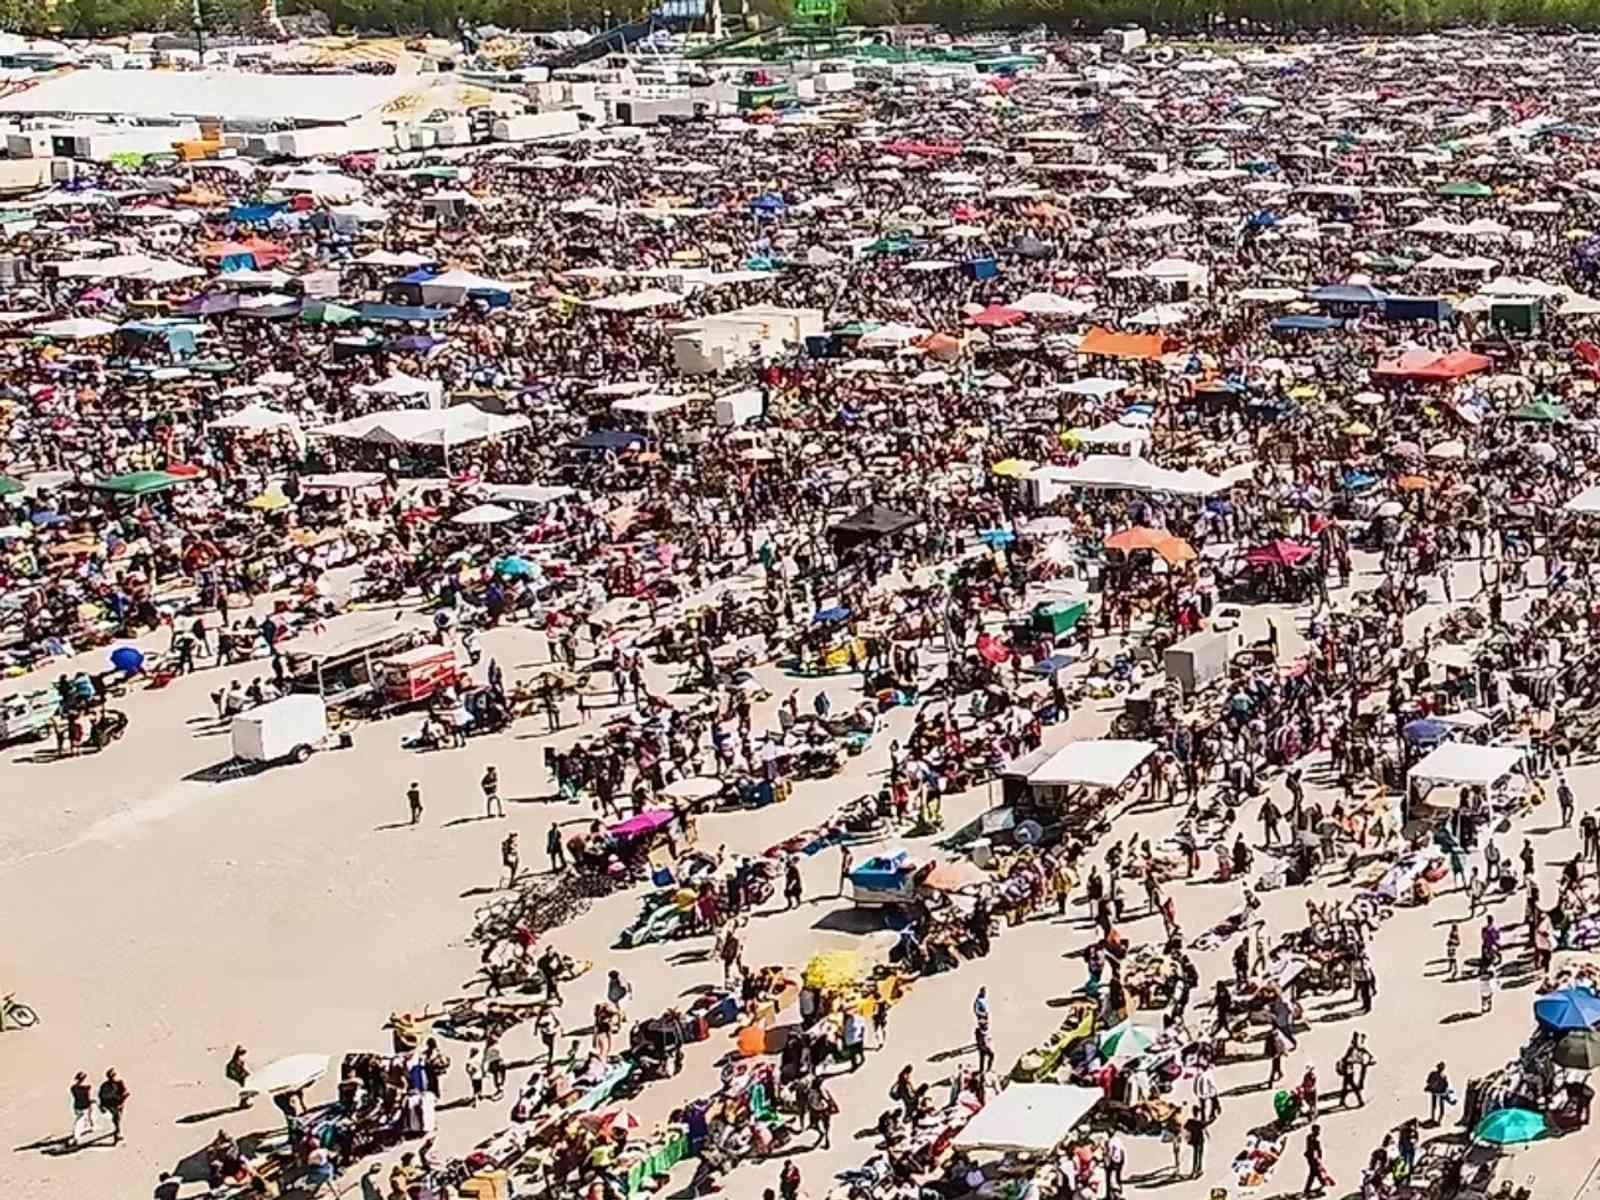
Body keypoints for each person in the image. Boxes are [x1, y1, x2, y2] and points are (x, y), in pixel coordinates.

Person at [1336, 1032, 1373, 1108]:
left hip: (1348, 1070)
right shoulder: (1353, 1049)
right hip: (1349, 1070)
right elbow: (1350, 1059)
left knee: (1348, 1087)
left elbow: (1348, 1058)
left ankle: (1344, 1101)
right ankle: (1353, 1101)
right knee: (1349, 1087)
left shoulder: (1352, 1049)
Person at [98, 1068, 129, 1145]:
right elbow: (101, 1096)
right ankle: (117, 1134)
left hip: (117, 1104)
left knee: (117, 1118)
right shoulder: (115, 1084)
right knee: (117, 1118)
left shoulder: (114, 1084)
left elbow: (101, 1096)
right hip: (113, 1105)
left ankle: (117, 1132)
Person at [1303, 1123, 1329, 1197]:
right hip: (1312, 1158)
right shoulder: (1311, 1138)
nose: (1318, 1132)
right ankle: (1309, 1188)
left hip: (1314, 1158)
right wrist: (1316, 1157)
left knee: (1314, 1172)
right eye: (1317, 1130)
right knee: (1314, 1172)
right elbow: (1312, 1149)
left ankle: (1321, 1183)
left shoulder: (1314, 1139)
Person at [70, 1071, 95, 1145]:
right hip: (84, 1107)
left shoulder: (73, 1088)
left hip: (77, 1106)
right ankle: (76, 1138)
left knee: (84, 1118)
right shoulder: (86, 1088)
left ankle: (87, 1127)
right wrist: (91, 1101)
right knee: (79, 1122)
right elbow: (87, 1098)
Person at [1184, 1107, 1208, 1179]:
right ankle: (1198, 1170)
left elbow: (1186, 1129)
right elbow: (1205, 1127)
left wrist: (1187, 1138)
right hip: (1200, 1140)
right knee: (1199, 1155)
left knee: (1195, 1156)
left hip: (1194, 1140)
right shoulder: (1199, 1122)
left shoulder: (1190, 1121)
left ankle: (1194, 1170)